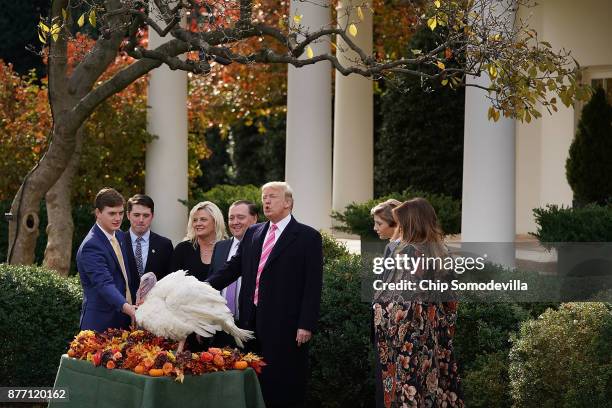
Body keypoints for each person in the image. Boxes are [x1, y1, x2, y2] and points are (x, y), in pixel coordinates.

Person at [207, 182, 323, 408]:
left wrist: (306, 324)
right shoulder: (253, 233)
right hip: (252, 322)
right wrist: (200, 287)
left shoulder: (307, 237)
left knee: (283, 384)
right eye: (264, 197)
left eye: (272, 197)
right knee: (254, 379)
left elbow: (313, 284)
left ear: (288, 203)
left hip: (287, 326)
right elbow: (233, 268)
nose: (266, 201)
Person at [373, 198, 463, 407]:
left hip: (407, 336)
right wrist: (444, 330)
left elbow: (396, 299)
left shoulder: (407, 251)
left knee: (408, 388)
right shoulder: (442, 251)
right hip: (433, 332)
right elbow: (451, 298)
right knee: (432, 387)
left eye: (401, 222)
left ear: (409, 223)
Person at [76, 188, 137, 332]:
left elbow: (125, 278)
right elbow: (104, 284)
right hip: (100, 325)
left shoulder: (120, 236)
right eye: (112, 213)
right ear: (98, 213)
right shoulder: (91, 245)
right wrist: (130, 309)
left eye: (121, 213)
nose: (118, 218)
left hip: (124, 322)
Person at [370, 198, 401, 408]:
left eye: (379, 224)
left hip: (393, 326)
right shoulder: (393, 247)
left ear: (396, 224)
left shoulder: (398, 248)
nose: (375, 228)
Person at [210, 200, 259, 320]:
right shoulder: (220, 246)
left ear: (254, 219)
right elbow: (213, 283)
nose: (235, 222)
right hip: (220, 325)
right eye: (231, 218)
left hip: (250, 325)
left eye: (240, 217)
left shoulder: (263, 247)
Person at [122, 194, 174, 281]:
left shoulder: (164, 245)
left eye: (146, 215)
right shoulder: (118, 242)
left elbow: (170, 280)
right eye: (136, 215)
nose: (141, 220)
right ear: (128, 215)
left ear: (152, 216)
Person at [171, 201, 227, 282]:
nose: (198, 223)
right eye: (195, 220)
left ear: (215, 222)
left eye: (203, 219)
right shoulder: (183, 249)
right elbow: (172, 282)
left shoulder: (227, 248)